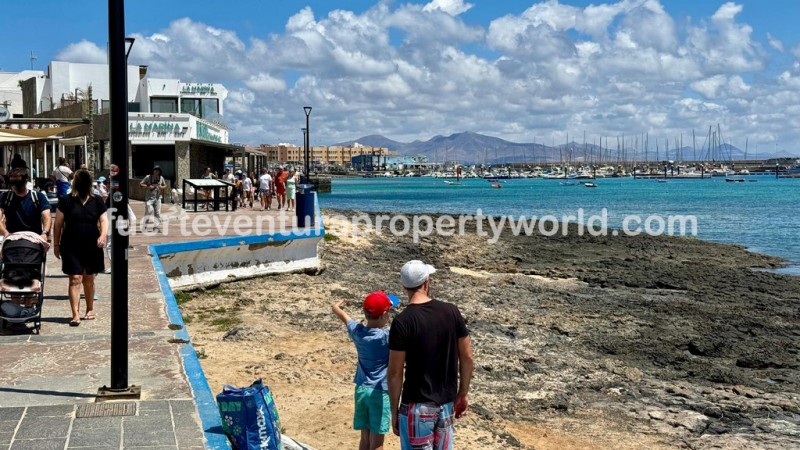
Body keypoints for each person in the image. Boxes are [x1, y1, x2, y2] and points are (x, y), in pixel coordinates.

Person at [388, 260, 474, 450]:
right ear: (426, 282)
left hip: (416, 407)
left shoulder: (402, 322)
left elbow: (395, 373)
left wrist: (394, 411)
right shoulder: (451, 311)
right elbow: (467, 357)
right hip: (445, 405)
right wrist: (463, 393)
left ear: (404, 287)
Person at [332, 292, 399, 450]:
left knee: (364, 438)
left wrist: (337, 306)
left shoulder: (357, 332)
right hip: (380, 392)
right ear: (384, 314)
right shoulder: (386, 337)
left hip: (361, 389)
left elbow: (342, 315)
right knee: (377, 442)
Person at [52, 170, 108, 326]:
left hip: (92, 244)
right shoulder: (66, 200)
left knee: (88, 278)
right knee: (75, 278)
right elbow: (57, 225)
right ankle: (75, 314)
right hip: (70, 245)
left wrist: (103, 235)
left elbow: (104, 220)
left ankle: (89, 308)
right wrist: (56, 245)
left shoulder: (97, 200)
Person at [0, 167, 51, 241]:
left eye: (18, 183)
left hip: (34, 240)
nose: (14, 186)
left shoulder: (38, 197)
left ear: (26, 181)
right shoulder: (5, 197)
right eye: (12, 183)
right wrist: (6, 234)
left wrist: (44, 233)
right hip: (12, 239)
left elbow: (47, 217)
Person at [140, 166, 166, 232]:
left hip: (158, 198)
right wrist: (149, 186)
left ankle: (156, 227)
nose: (156, 171)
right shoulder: (148, 177)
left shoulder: (161, 178)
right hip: (149, 198)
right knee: (149, 211)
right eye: (155, 170)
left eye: (158, 170)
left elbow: (165, 185)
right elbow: (141, 183)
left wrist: (161, 187)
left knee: (157, 213)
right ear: (153, 170)